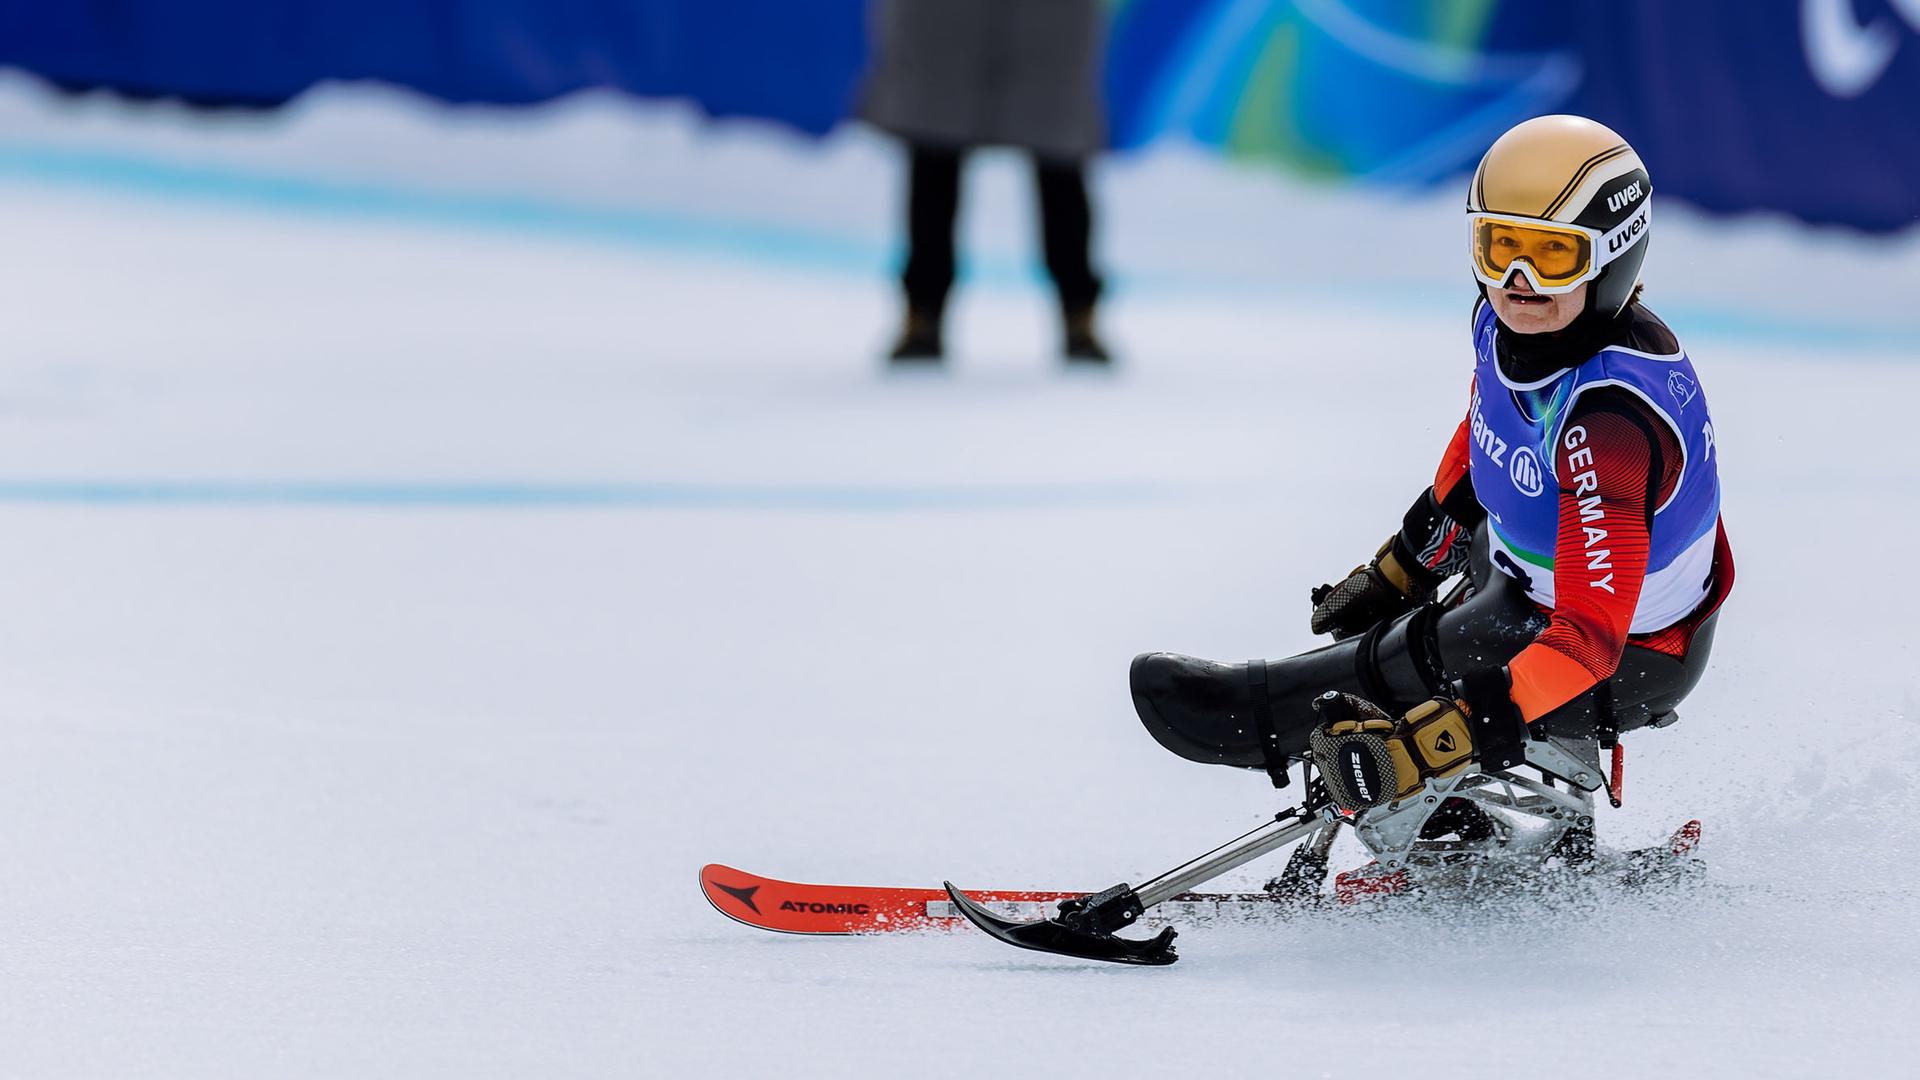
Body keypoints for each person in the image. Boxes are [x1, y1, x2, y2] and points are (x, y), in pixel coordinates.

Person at [1129, 115, 1734, 816]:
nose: (1518, 279)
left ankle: (1265, 718)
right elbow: (1488, 441)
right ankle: (1455, 804)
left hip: (1627, 654)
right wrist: (1406, 564)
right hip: (1538, 574)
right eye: (1500, 245)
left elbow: (1591, 640)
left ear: (1613, 258)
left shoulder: (1609, 427)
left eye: (1553, 257)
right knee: (1428, 630)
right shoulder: (1511, 325)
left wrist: (1448, 736)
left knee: (1399, 663)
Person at [860, 0, 1111, 365]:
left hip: (1047, 21)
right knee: (934, 158)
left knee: (1059, 164)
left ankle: (1079, 313)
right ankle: (922, 313)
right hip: (945, 20)